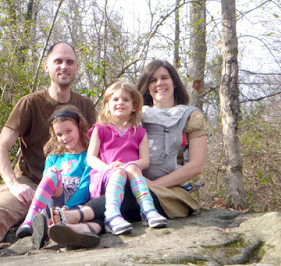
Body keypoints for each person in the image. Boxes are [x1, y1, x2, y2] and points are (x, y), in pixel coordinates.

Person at [0, 42, 96, 251]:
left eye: (70, 62)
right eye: (58, 61)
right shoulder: (30, 103)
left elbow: (98, 147)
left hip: (73, 184)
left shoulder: (86, 106)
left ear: (76, 68)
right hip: (31, 181)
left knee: (94, 209)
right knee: (2, 210)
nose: (64, 66)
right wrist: (14, 184)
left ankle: (70, 234)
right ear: (47, 66)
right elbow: (0, 147)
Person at [49, 60, 207, 244]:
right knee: (118, 195)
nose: (159, 84)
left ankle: (75, 217)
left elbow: (196, 166)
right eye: (153, 80)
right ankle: (84, 230)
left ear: (175, 82)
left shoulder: (190, 115)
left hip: (169, 192)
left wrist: (153, 184)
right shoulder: (136, 117)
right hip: (127, 180)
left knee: (130, 195)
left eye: (164, 78)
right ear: (146, 87)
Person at [86, 81, 167, 235]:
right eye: (115, 100)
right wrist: (110, 168)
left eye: (125, 100)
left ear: (134, 106)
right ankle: (112, 216)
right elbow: (91, 158)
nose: (120, 103)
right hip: (105, 177)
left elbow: (145, 161)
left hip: (131, 179)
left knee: (131, 167)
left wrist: (125, 166)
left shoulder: (140, 132)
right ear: (107, 105)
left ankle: (148, 210)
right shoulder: (101, 129)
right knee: (119, 172)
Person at [15, 105, 100, 248]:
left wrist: (67, 208)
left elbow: (85, 187)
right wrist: (52, 173)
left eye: (69, 131)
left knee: (67, 214)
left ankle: (52, 229)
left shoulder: (89, 157)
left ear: (79, 127)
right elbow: (45, 186)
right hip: (54, 200)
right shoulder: (53, 158)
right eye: (59, 135)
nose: (65, 138)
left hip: (74, 205)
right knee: (51, 174)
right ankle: (30, 221)